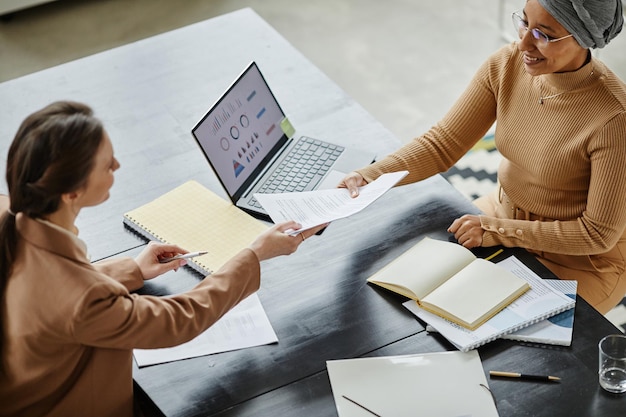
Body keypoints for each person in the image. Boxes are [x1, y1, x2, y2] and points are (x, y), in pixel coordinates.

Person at [0, 101, 326, 417]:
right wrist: (255, 254)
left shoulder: (13, 223)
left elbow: (60, 290)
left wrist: (132, 269)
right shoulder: (83, 299)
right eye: (107, 163)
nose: (117, 166)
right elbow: (178, 320)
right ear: (70, 193)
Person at [340, 0, 626, 314]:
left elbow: (596, 234)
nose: (524, 43)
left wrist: (497, 231)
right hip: (502, 214)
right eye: (524, 23)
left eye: (543, 35)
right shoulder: (507, 64)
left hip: (580, 259)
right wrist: (370, 176)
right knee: (408, 297)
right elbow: (443, 144)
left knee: (498, 339)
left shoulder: (614, 119)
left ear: (583, 39)